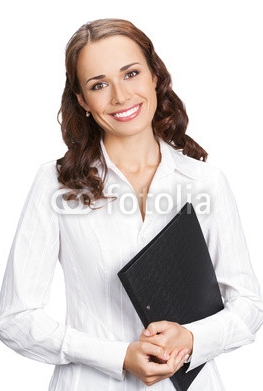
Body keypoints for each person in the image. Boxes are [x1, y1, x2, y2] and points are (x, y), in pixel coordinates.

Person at [0, 18, 262, 391]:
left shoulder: (205, 183)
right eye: (99, 84)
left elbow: (249, 305)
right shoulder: (55, 184)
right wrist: (118, 355)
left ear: (155, 75)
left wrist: (191, 339)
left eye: (131, 73)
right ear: (82, 100)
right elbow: (15, 317)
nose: (120, 97)